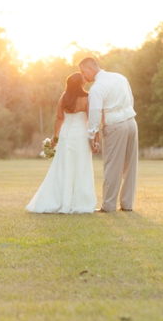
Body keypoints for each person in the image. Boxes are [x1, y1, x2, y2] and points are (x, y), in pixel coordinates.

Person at [26, 72, 97, 214]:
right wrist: (94, 139)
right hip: (81, 135)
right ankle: (80, 203)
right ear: (81, 83)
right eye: (83, 79)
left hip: (65, 135)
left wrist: (55, 137)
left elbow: (59, 118)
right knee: (81, 166)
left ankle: (61, 201)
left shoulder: (64, 98)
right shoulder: (88, 98)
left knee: (63, 166)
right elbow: (91, 120)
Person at [78, 57, 138, 212]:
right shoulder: (120, 77)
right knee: (130, 166)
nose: (84, 76)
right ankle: (127, 204)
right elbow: (130, 100)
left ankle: (109, 206)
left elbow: (95, 112)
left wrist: (92, 136)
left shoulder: (97, 88)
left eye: (84, 72)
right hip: (131, 123)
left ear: (91, 68)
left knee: (112, 167)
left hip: (115, 126)